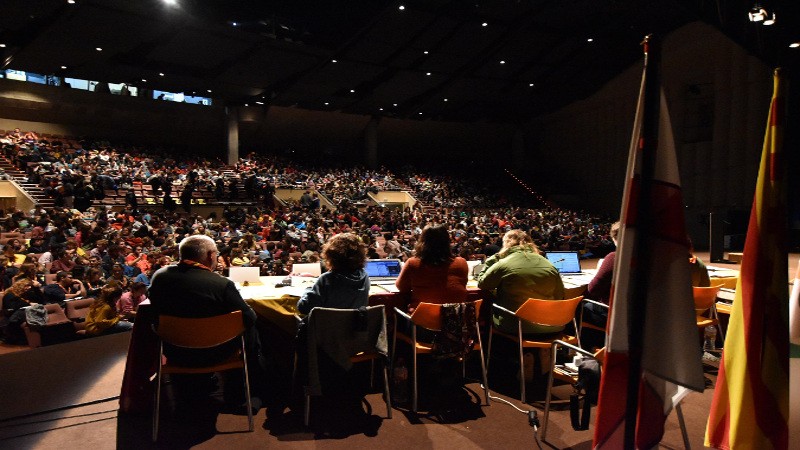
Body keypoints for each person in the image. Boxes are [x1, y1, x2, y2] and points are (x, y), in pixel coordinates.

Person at [148, 234, 265, 410]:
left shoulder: (159, 277)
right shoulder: (221, 283)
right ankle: (244, 393)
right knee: (250, 329)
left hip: (174, 352)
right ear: (210, 255)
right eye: (216, 254)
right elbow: (250, 318)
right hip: (216, 353)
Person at [395, 224, 468, 311]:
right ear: (447, 241)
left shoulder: (412, 263)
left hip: (424, 319)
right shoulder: (462, 262)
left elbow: (401, 287)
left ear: (422, 241)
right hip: (456, 320)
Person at [296, 232, 369, 315]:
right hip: (355, 327)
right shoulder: (364, 276)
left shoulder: (327, 279)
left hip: (326, 327)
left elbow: (303, 308)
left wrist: (308, 289)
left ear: (331, 255)